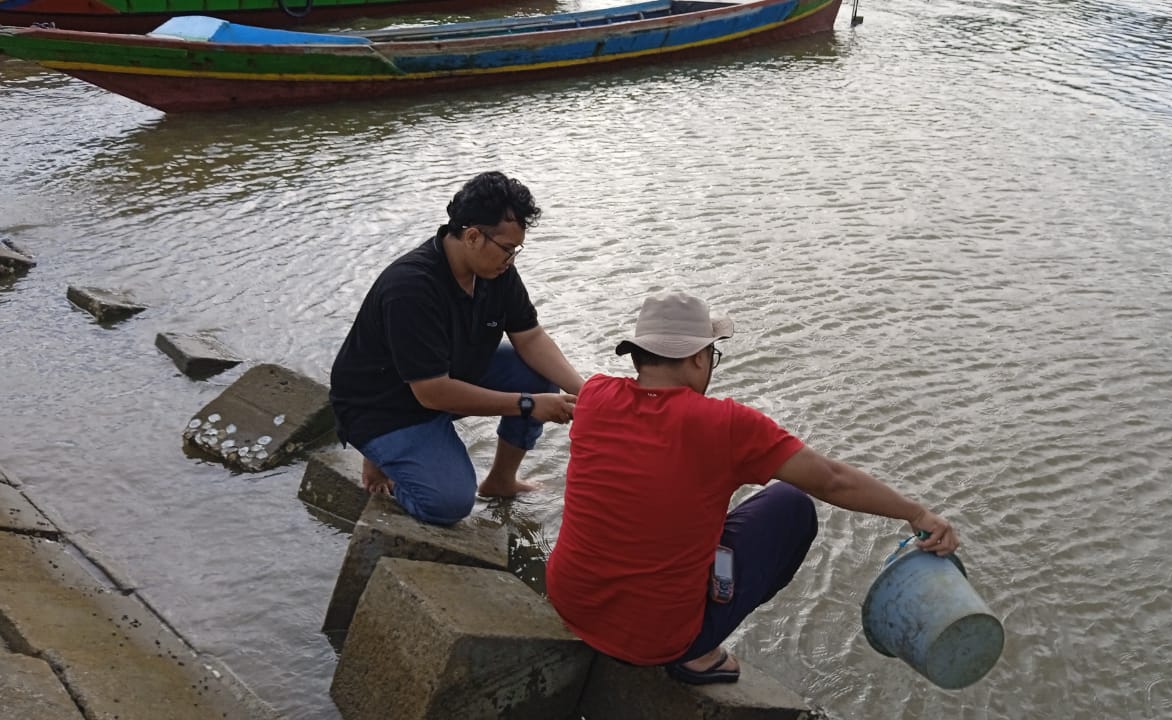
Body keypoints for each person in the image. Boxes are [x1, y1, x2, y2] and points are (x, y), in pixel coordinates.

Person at [545, 291, 960, 684]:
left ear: (638, 356)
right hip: (657, 640)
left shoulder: (595, 395)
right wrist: (916, 513)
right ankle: (699, 649)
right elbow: (832, 480)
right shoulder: (725, 424)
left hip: (571, 605)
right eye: (712, 354)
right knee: (791, 506)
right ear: (697, 357)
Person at [329, 171, 583, 526]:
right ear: (473, 236)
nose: (511, 259)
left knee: (535, 373)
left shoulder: (496, 271)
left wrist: (586, 392)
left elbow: (531, 337)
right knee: (449, 504)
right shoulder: (411, 287)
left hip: (446, 374)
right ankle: (382, 456)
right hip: (383, 406)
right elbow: (432, 392)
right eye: (507, 249)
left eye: (516, 250)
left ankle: (500, 481)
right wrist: (527, 404)